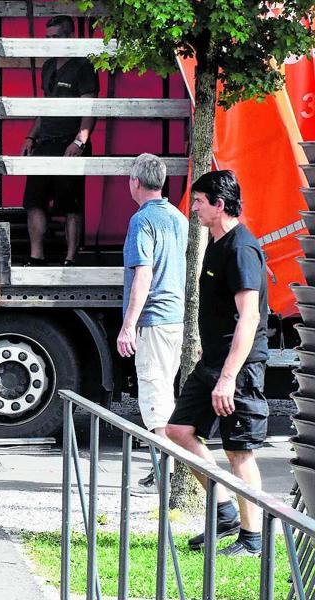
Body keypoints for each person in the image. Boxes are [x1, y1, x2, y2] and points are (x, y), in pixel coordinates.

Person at [166, 170, 269, 558]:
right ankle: (224, 511)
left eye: (199, 202)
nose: (193, 208)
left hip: (237, 367)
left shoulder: (241, 249)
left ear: (219, 205)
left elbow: (250, 317)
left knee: (239, 451)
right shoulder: (216, 239)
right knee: (177, 430)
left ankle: (252, 539)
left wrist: (227, 378)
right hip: (212, 361)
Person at [115, 154, 188, 490]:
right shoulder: (178, 217)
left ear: (135, 182)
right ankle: (166, 465)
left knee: (154, 394)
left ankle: (165, 473)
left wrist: (128, 326)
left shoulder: (141, 221)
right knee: (166, 390)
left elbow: (143, 274)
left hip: (154, 318)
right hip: (175, 317)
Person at [20, 15, 99, 266]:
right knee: (34, 201)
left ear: (69, 37)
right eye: (48, 38)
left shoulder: (83, 66)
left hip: (70, 142)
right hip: (45, 142)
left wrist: (79, 141)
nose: (51, 42)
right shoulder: (48, 66)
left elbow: (90, 108)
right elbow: (45, 106)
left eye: (56, 37)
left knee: (71, 204)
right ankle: (36, 257)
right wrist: (32, 135)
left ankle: (70, 259)